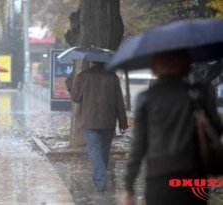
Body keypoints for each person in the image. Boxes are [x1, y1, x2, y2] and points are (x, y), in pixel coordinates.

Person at [121, 51, 223, 205]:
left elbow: (138, 146)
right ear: (186, 66)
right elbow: (216, 129)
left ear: (155, 67)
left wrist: (129, 187)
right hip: (194, 177)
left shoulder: (147, 98)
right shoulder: (198, 93)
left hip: (159, 178)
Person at [67, 62, 128, 192]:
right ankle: (101, 179)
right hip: (108, 120)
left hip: (90, 121)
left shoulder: (83, 75)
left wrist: (69, 84)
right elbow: (119, 101)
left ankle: (101, 181)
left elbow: (76, 98)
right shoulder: (113, 77)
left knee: (94, 149)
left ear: (92, 62)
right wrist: (123, 122)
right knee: (104, 151)